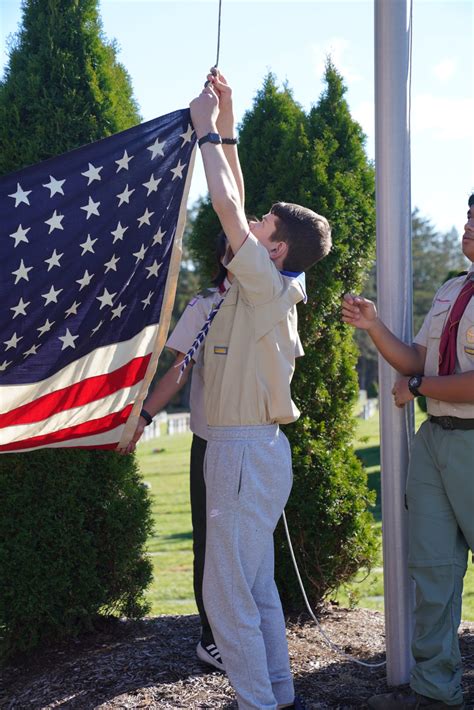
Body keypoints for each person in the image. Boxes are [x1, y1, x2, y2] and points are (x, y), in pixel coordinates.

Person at [189, 70, 332, 710]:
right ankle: (275, 694)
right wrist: (227, 117)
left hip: (242, 453)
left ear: (274, 251)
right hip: (255, 451)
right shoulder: (268, 280)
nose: (251, 221)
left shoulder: (261, 283)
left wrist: (202, 137)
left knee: (226, 595)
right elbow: (236, 196)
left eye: (263, 224)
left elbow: (224, 203)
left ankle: (256, 702)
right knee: (255, 586)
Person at [342, 193, 474, 710]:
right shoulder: (451, 291)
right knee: (433, 570)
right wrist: (374, 325)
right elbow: (419, 357)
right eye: (468, 215)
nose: (468, 225)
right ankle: (436, 693)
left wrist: (419, 386)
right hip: (434, 443)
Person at [123, 232, 232, 671]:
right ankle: (212, 638)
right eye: (234, 244)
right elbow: (178, 370)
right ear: (223, 254)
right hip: (211, 443)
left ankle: (243, 630)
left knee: (250, 547)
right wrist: (144, 417)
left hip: (258, 443)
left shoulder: (273, 299)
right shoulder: (206, 304)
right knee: (210, 544)